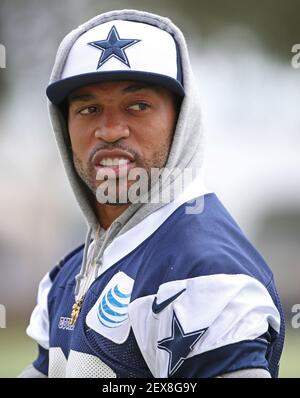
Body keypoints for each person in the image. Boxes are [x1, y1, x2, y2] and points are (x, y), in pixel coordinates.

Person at [19, 9, 284, 378]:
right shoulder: (70, 274)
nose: (110, 130)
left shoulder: (205, 273)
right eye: (89, 109)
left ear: (182, 121)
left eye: (138, 106)